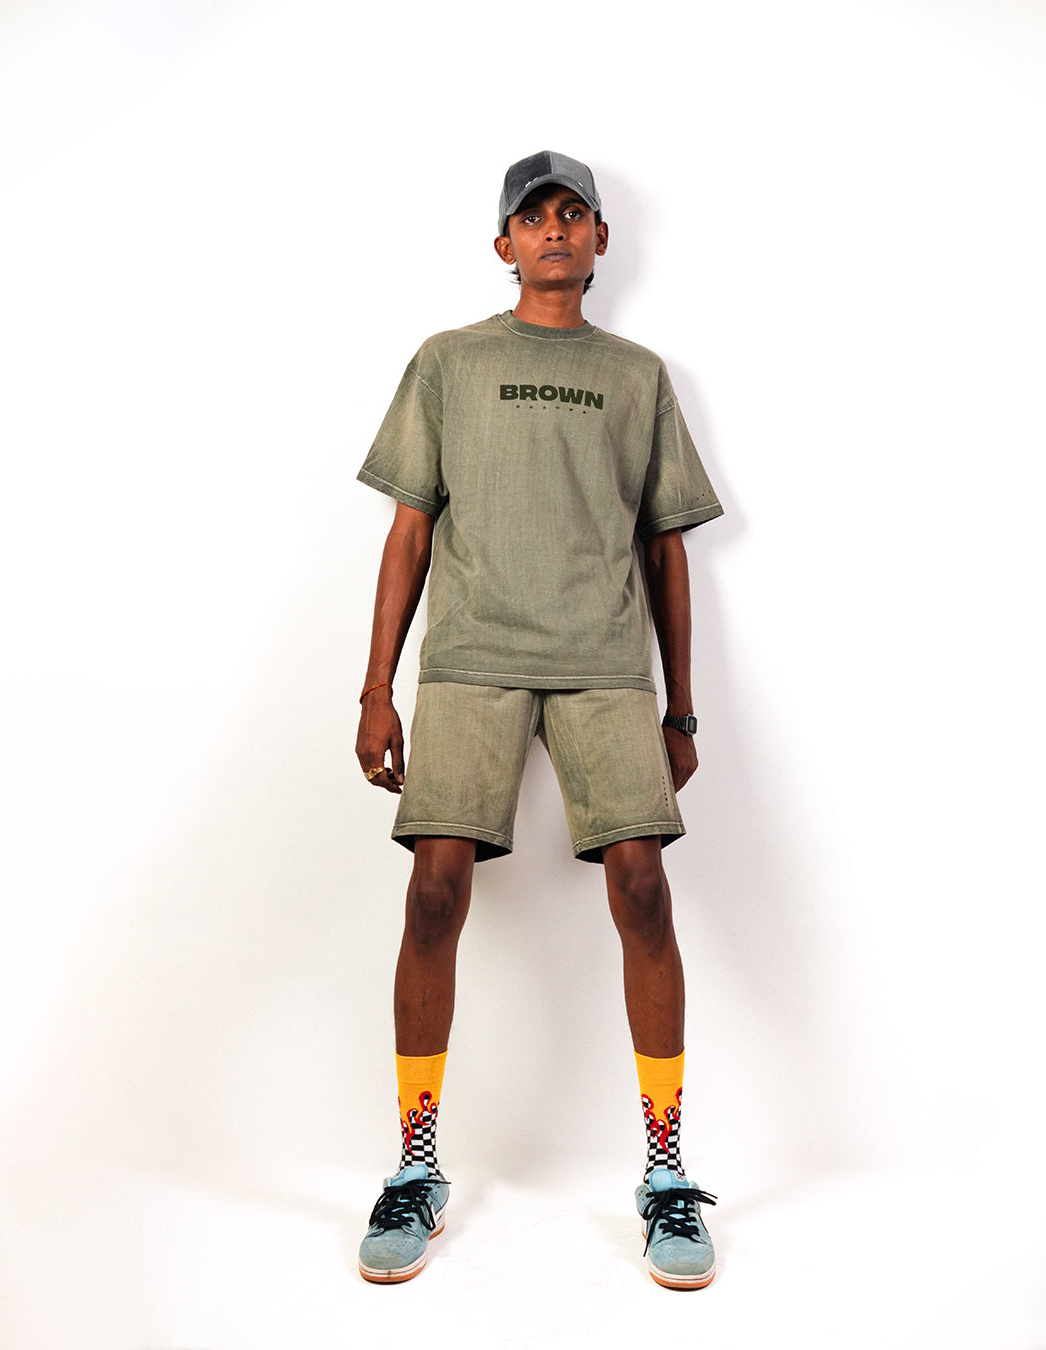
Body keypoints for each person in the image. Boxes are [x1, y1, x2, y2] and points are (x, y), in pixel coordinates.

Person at [353, 151, 724, 1289]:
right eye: (533, 216)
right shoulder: (449, 362)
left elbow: (666, 546)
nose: (554, 230)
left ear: (601, 239)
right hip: (472, 659)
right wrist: (376, 688)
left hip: (604, 663)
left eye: (574, 214)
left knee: (644, 889)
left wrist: (682, 707)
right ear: (503, 244)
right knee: (434, 891)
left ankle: (665, 1170)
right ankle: (417, 1162)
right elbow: (410, 531)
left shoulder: (637, 377)